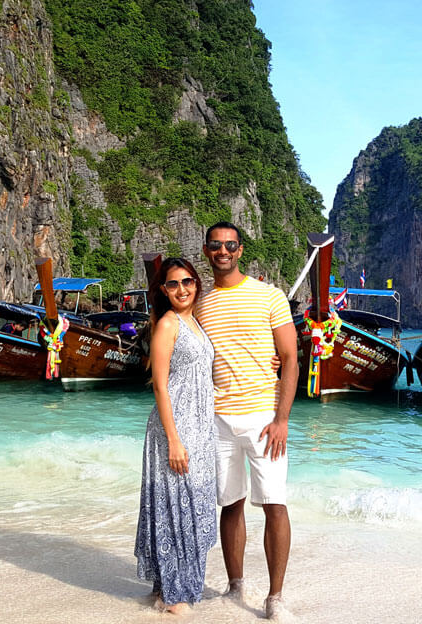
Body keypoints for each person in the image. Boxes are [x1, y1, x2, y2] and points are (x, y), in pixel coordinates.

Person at [195, 222, 299, 620]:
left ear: (241, 249)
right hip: (217, 420)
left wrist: (282, 419)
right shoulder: (199, 302)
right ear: (206, 250)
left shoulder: (269, 296)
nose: (223, 251)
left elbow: (289, 359)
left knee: (274, 503)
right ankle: (235, 584)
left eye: (230, 245)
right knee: (230, 504)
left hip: (263, 418)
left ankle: (275, 597)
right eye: (216, 245)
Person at [135, 258, 218, 615]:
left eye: (188, 282)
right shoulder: (168, 324)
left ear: (196, 284)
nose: (182, 289)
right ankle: (172, 595)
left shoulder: (194, 321)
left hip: (200, 429)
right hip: (176, 428)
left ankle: (167, 588)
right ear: (163, 290)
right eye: (173, 284)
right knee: (175, 510)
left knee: (193, 509)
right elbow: (161, 387)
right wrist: (173, 439)